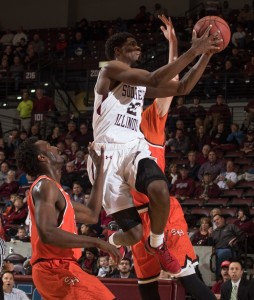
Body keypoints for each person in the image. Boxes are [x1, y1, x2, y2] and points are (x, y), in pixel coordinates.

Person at [87, 14, 221, 275]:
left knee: (160, 189)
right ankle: (111, 240)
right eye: (132, 44)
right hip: (106, 157)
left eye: (139, 44)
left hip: (134, 147)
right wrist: (194, 49)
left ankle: (157, 243)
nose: (139, 47)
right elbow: (153, 79)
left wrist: (207, 55)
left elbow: (181, 87)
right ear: (117, 51)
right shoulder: (110, 69)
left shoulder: (138, 84)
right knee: (134, 233)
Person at [131, 16, 216, 300]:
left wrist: (175, 46)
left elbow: (174, 82)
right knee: (148, 288)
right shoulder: (111, 130)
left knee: (186, 276)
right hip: (135, 220)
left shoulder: (149, 120)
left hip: (162, 211)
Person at [15, 139, 120, 300]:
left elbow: (92, 214)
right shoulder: (44, 186)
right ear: (43, 157)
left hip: (67, 266)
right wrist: (97, 242)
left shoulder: (57, 191)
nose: (56, 147)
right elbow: (48, 233)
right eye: (49, 146)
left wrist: (99, 170)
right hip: (51, 268)